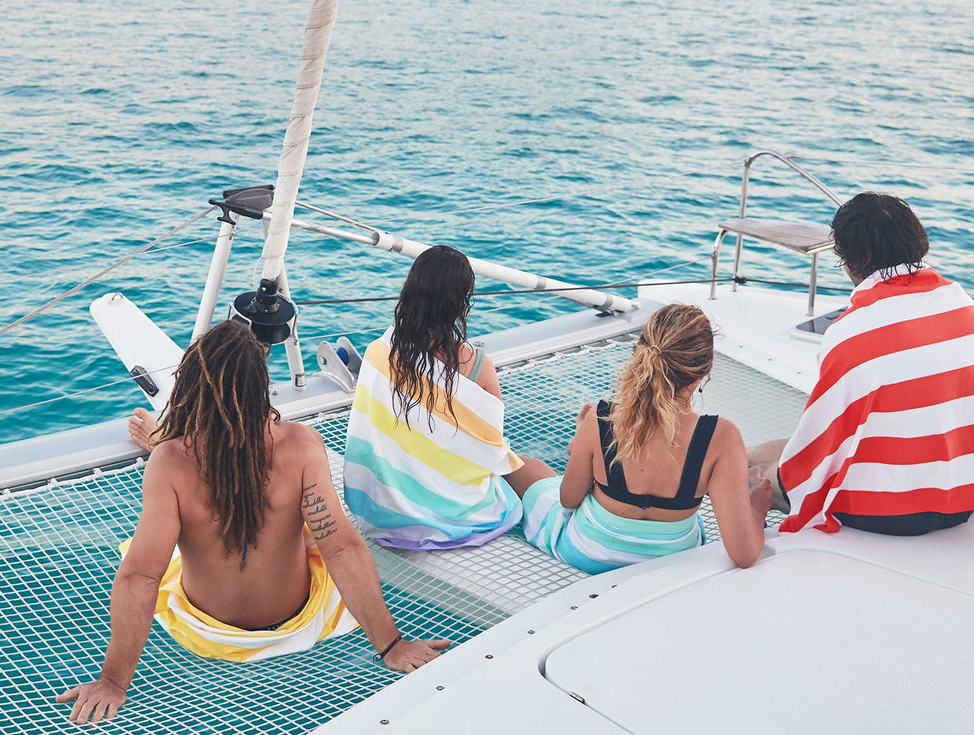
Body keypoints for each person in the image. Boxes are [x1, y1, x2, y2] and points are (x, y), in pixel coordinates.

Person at [57, 319, 449, 726]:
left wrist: (113, 681)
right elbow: (342, 548)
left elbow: (139, 578)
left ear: (190, 385)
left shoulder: (170, 463)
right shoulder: (301, 445)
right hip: (302, 618)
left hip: (208, 632)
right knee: (322, 532)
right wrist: (392, 647)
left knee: (155, 545)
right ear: (260, 387)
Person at [749, 191, 974, 535]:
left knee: (758, 478)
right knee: (782, 452)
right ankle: (739, 452)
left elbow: (821, 446)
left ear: (849, 261)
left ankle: (738, 543)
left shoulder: (851, 331)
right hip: (964, 500)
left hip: (886, 511)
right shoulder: (970, 312)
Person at [516, 304, 772, 574]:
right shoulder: (721, 437)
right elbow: (744, 555)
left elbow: (568, 499)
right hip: (672, 560)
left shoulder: (602, 418)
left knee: (527, 467)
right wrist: (755, 511)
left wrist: (583, 441)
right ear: (701, 374)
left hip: (589, 554)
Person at [343, 245, 549, 549]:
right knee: (531, 468)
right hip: (456, 514)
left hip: (382, 511)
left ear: (410, 290)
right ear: (460, 302)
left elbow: (367, 433)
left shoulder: (378, 352)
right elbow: (491, 449)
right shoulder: (477, 364)